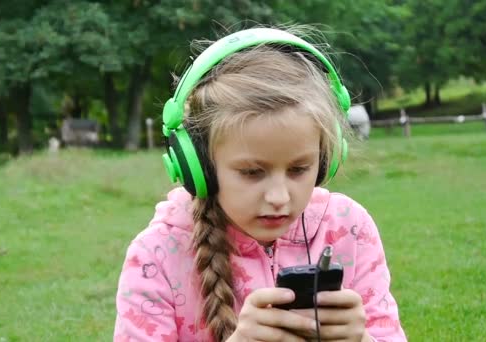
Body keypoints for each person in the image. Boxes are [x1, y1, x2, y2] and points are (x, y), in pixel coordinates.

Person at [114, 26, 406, 342]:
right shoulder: (156, 257)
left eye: (298, 169)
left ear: (325, 161)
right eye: (252, 172)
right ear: (199, 165)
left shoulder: (349, 229)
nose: (279, 197)